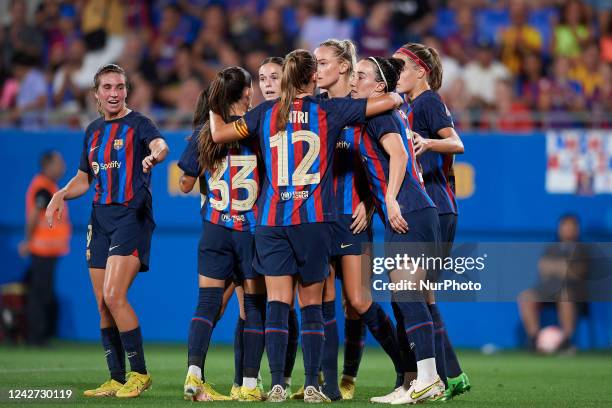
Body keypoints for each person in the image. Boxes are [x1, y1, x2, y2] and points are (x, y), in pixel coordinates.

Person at [210, 49, 403, 402]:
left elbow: (220, 133)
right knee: (313, 304)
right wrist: (395, 92)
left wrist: (213, 101)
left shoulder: (264, 113)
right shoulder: (328, 110)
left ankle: (279, 383)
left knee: (277, 304)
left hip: (271, 220)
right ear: (312, 78)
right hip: (313, 221)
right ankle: (314, 382)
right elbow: (384, 104)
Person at [45, 63, 169, 398]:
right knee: (102, 303)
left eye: (119, 87)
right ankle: (115, 378)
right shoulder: (94, 131)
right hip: (100, 220)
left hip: (132, 216)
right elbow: (84, 179)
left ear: (126, 90)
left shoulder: (139, 124)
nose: (114, 93)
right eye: (107, 88)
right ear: (96, 94)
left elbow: (161, 146)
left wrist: (154, 157)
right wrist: (60, 193)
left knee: (115, 296)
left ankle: (139, 374)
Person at [314, 39, 406, 402]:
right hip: (319, 218)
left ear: (343, 67)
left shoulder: (366, 111)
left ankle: (404, 366)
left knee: (358, 300)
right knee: (321, 300)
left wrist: (369, 202)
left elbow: (377, 165)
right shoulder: (316, 108)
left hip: (353, 218)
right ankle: (325, 383)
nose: (316, 70)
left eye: (322, 63)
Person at [350, 55, 444, 404]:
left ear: (378, 86)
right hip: (415, 210)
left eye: (361, 75)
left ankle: (430, 378)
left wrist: (388, 199)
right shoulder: (383, 112)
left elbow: (399, 156)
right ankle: (415, 381)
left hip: (408, 210)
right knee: (404, 298)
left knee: (407, 295)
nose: (355, 79)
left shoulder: (380, 114)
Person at [177, 66, 267, 402]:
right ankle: (248, 383)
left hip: (214, 229)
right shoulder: (257, 128)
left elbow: (185, 183)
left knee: (206, 305)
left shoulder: (204, 133)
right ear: (245, 93)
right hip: (250, 231)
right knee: (254, 308)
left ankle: (194, 374)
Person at [393, 42, 470, 401]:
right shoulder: (410, 107)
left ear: (420, 71)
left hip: (436, 206)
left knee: (412, 293)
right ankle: (450, 374)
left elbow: (456, 144)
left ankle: (440, 375)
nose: (396, 75)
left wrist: (426, 141)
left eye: (401, 67)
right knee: (421, 294)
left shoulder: (428, 101)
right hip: (435, 207)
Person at [257, 56, 301, 396]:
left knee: (340, 303)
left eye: (275, 76)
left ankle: (326, 379)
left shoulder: (311, 112)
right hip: (267, 223)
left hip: (310, 220)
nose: (268, 83)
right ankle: (266, 379)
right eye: (262, 78)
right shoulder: (257, 118)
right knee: (268, 302)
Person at [20, 151, 71, 346]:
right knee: (40, 294)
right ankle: (36, 336)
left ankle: (41, 334)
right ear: (48, 166)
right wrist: (28, 241)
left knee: (44, 292)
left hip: (49, 250)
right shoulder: (42, 187)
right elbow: (34, 216)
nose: (63, 167)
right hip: (41, 249)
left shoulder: (49, 186)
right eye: (59, 163)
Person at [518, 214, 589, 353]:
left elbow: (577, 272)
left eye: (572, 227)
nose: (568, 230)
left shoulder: (584, 250)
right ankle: (534, 340)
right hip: (548, 289)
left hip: (573, 292)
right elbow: (543, 268)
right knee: (526, 296)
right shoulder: (551, 247)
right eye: (565, 226)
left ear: (577, 229)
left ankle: (567, 341)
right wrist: (564, 267)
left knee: (565, 296)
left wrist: (557, 268)